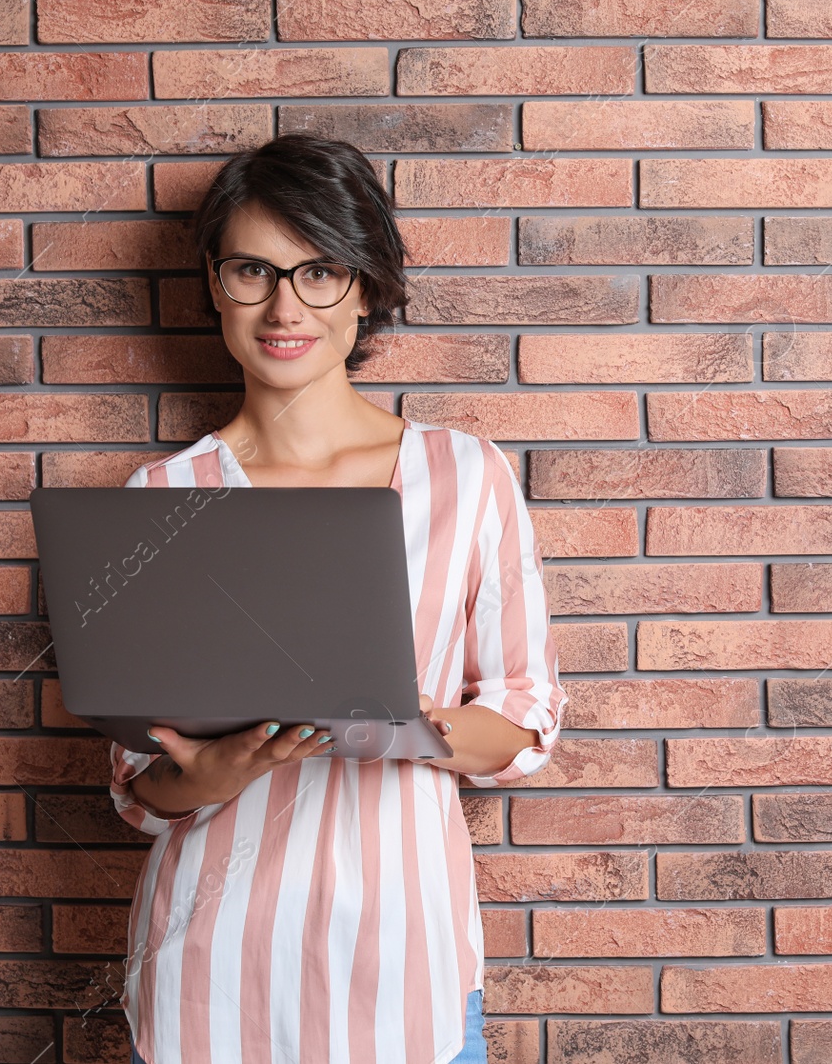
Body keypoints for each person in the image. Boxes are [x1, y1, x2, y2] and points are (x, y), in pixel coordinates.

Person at [107, 133, 568, 1064]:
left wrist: (408, 721)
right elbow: (137, 784)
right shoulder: (159, 500)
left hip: (403, 968)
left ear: (366, 285)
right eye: (253, 270)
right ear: (214, 283)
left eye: (320, 271)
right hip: (211, 977)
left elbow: (524, 716)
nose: (285, 306)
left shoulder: (464, 474)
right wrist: (217, 771)